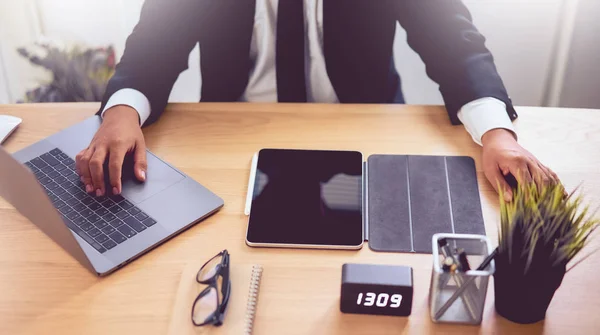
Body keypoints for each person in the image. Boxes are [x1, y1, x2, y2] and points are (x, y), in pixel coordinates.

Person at [76, 0, 561, 202]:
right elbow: (154, 46)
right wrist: (120, 112)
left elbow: (455, 47)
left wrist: (497, 135)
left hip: (364, 140)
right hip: (234, 140)